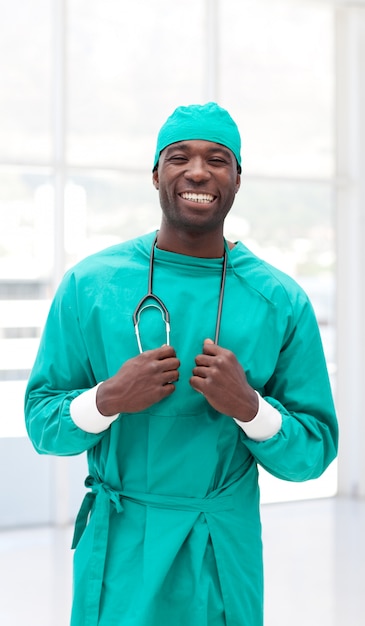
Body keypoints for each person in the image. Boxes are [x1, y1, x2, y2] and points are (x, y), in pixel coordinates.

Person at [25, 102, 338, 626]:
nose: (198, 171)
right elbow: (42, 425)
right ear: (155, 174)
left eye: (218, 158)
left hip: (219, 547)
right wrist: (108, 399)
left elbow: (313, 451)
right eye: (179, 157)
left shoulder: (279, 300)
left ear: (238, 177)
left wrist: (251, 408)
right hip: (121, 546)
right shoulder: (91, 285)